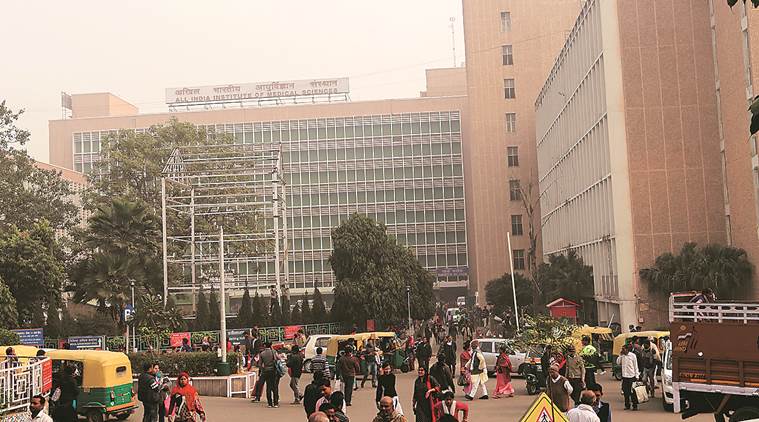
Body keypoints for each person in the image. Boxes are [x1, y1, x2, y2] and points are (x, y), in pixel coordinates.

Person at [616, 344, 639, 411]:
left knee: (633, 392)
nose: (622, 350)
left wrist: (637, 375)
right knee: (625, 392)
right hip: (624, 377)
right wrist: (620, 355)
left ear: (627, 349)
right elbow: (618, 363)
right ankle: (627, 405)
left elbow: (635, 366)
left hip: (631, 376)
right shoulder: (622, 356)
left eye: (623, 349)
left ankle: (634, 406)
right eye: (622, 349)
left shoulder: (632, 356)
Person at [259, 341, 280, 408]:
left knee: (268, 387)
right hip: (273, 370)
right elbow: (277, 359)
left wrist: (263, 369)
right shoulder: (273, 352)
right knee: (275, 386)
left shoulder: (262, 353)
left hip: (266, 371)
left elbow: (260, 364)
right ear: (270, 345)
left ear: (265, 346)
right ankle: (276, 403)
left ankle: (270, 403)